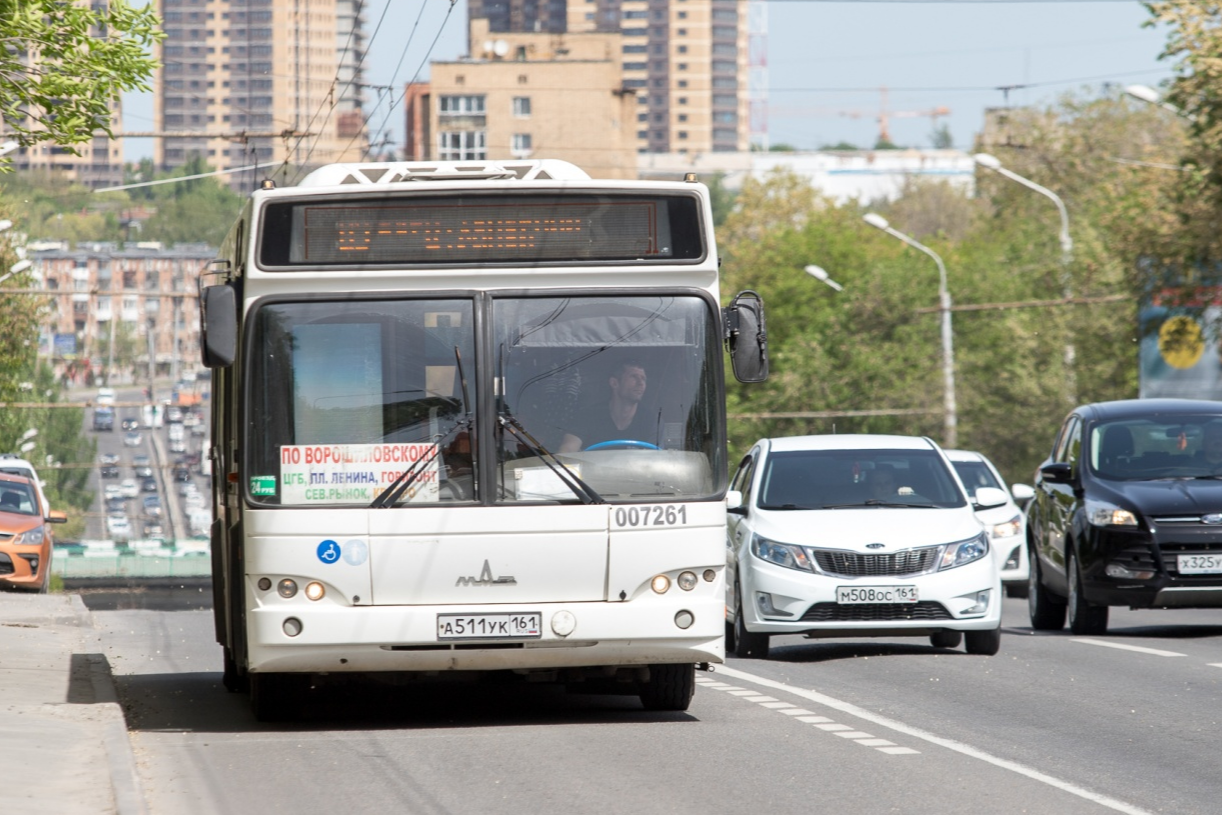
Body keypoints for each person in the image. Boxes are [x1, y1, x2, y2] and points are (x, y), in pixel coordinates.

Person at [559, 359, 652, 452]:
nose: (641, 383)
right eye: (634, 377)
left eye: (643, 378)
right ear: (614, 383)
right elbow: (567, 450)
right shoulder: (588, 416)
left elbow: (656, 458)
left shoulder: (651, 421)